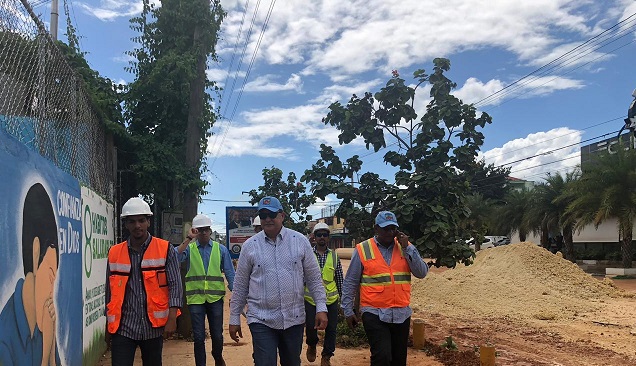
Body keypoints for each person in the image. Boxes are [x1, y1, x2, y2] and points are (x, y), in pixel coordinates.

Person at [229, 196, 328, 366]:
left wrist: (321, 307)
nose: (267, 219)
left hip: (293, 319)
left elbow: (314, 279)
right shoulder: (249, 246)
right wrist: (234, 318)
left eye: (271, 214)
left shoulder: (300, 242)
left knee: (291, 362)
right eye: (263, 215)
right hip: (261, 319)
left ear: (282, 215)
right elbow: (240, 285)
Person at [341, 211, 429, 366]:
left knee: (398, 360)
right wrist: (348, 310)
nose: (390, 232)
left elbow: (421, 273)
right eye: (385, 228)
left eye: (393, 229)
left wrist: (408, 248)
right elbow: (350, 282)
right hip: (374, 312)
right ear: (376, 228)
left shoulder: (405, 247)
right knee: (381, 356)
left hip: (401, 312)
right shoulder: (363, 249)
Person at [105, 197, 183, 366]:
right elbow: (109, 293)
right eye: (132, 221)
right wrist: (107, 324)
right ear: (126, 224)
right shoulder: (114, 252)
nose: (137, 225)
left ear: (148, 222)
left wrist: (172, 318)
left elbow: (175, 284)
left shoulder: (165, 249)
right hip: (123, 328)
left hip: (153, 329)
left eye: (141, 220)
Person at [0, 183, 61, 366]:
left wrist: (50, 352)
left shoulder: (44, 324)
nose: (52, 291)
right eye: (51, 276)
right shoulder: (5, 340)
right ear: (36, 253)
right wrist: (44, 359)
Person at [176, 214, 235, 366]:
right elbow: (174, 257)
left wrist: (235, 294)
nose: (203, 233)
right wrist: (188, 238)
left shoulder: (220, 249)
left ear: (210, 230)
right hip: (196, 300)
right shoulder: (189, 249)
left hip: (215, 299)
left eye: (205, 230)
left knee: (217, 335)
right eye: (199, 230)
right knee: (199, 337)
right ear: (195, 231)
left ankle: (217, 356)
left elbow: (230, 273)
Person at [304, 223, 343, 366]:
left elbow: (339, 279)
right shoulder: (308, 254)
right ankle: (312, 344)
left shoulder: (334, 256)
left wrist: (343, 300)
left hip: (330, 300)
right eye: (319, 234)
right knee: (310, 327)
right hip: (311, 299)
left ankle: (326, 355)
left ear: (328, 237)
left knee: (331, 329)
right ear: (314, 237)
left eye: (324, 235)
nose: (322, 237)